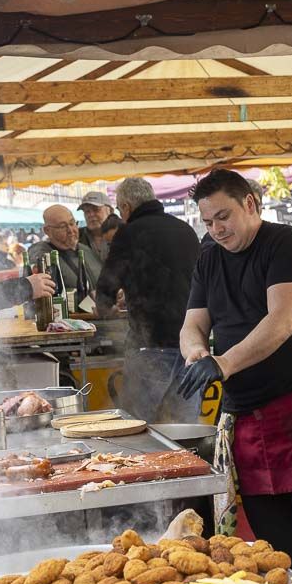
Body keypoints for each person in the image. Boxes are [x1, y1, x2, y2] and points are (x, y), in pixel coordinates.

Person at [177, 169, 292, 584]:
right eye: (208, 221)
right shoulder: (208, 258)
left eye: (224, 217)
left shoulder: (289, 244)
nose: (217, 229)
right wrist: (198, 355)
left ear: (251, 204)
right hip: (244, 408)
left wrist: (223, 363)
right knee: (267, 528)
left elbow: (281, 323)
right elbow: (192, 324)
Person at [93, 177, 202, 423]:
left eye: (120, 210)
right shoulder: (185, 230)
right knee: (183, 429)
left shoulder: (129, 233)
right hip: (191, 346)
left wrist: (105, 306)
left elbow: (107, 284)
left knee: (136, 427)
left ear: (127, 207)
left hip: (151, 345)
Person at [28, 204, 105, 291]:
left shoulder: (86, 250)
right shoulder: (43, 256)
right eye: (62, 226)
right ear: (47, 230)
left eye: (72, 223)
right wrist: (87, 301)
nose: (71, 230)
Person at [78, 190, 117, 263]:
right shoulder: (77, 237)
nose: (91, 215)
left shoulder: (122, 233)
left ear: (110, 211)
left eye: (96, 210)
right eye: (87, 211)